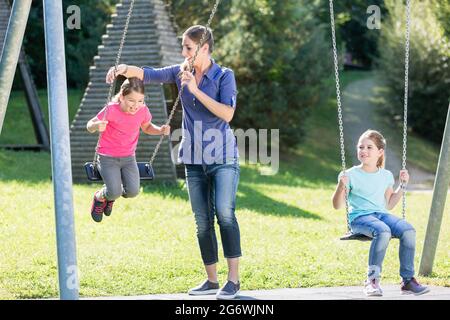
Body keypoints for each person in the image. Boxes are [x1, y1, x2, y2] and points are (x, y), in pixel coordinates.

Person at [106, 25, 241, 300]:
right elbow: (150, 74)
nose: (183, 52)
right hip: (193, 159)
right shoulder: (181, 71)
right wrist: (123, 68)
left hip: (223, 157)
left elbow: (227, 114)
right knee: (202, 221)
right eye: (183, 47)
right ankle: (211, 280)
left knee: (225, 214)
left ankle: (233, 281)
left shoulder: (224, 76)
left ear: (204, 48)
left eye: (188, 48)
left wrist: (194, 89)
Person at [332, 129, 430, 296]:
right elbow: (337, 205)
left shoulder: (386, 175)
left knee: (408, 230)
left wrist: (403, 185)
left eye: (369, 147)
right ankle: (372, 281)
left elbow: (390, 203)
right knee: (383, 230)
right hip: (360, 218)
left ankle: (407, 281)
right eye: (360, 147)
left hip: (381, 215)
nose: (364, 150)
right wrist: (341, 186)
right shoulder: (349, 175)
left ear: (380, 152)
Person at [87, 77, 170, 223]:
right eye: (131, 100)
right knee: (114, 191)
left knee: (133, 191)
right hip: (107, 157)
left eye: (140, 101)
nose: (136, 105)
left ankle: (111, 197)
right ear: (121, 97)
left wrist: (160, 130)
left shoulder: (143, 111)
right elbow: (89, 124)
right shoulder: (111, 109)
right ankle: (100, 197)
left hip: (129, 158)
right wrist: (96, 126)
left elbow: (147, 127)